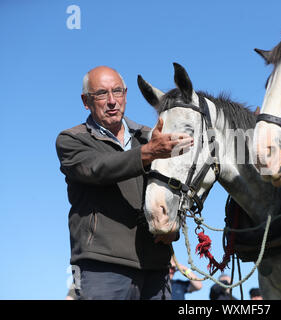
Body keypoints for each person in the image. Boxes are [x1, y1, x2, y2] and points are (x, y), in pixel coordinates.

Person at [56, 66, 193, 300]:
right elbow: (98, 169)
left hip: (156, 265)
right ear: (86, 101)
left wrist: (173, 229)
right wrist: (149, 153)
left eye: (117, 92)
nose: (112, 101)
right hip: (102, 265)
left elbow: (175, 187)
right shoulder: (71, 139)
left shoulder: (149, 137)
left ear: (126, 95)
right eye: (101, 93)